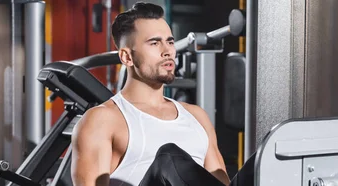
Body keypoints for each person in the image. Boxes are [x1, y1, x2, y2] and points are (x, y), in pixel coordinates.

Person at [70, 2, 230, 186]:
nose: (168, 51)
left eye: (169, 41)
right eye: (154, 43)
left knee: (263, 154)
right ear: (127, 57)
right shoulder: (103, 119)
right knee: (169, 157)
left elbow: (221, 182)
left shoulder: (196, 116)